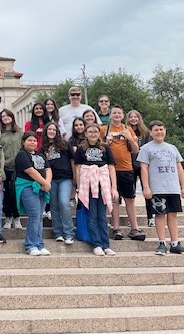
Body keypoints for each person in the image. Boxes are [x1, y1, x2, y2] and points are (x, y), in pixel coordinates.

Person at [139, 120, 184, 256]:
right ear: (151, 132)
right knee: (160, 214)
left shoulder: (172, 148)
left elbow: (179, 167)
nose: (159, 132)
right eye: (156, 130)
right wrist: (146, 187)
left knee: (173, 214)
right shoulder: (146, 148)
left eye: (161, 129)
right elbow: (144, 168)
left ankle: (175, 243)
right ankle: (162, 242)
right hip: (158, 187)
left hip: (173, 187)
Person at [74, 123, 118, 256]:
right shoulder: (81, 149)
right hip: (88, 184)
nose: (93, 134)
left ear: (99, 133)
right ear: (86, 134)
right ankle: (96, 243)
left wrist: (114, 187)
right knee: (92, 215)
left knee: (102, 216)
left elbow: (111, 167)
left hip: (102, 184)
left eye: (95, 131)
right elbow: (78, 168)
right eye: (90, 131)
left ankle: (106, 244)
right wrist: (79, 186)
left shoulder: (105, 148)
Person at [101, 106, 143, 242]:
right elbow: (98, 149)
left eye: (119, 113)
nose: (117, 115)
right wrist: (106, 143)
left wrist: (129, 138)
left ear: (122, 115)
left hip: (126, 168)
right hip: (110, 169)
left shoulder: (127, 129)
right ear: (110, 115)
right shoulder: (104, 129)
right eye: (114, 113)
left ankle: (134, 228)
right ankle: (116, 228)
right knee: (114, 200)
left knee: (130, 199)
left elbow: (136, 150)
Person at [14, 131, 51, 256]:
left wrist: (47, 183)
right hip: (28, 187)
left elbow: (48, 169)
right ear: (23, 142)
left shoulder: (40, 155)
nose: (32, 142)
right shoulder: (21, 155)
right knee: (34, 215)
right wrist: (45, 183)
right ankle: (30, 245)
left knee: (39, 216)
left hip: (41, 186)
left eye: (34, 140)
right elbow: (30, 171)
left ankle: (39, 244)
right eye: (29, 140)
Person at [42, 122, 75, 244]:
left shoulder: (65, 144)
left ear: (57, 132)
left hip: (65, 178)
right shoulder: (43, 147)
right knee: (54, 206)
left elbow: (73, 161)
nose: (51, 131)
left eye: (54, 130)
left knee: (64, 203)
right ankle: (58, 233)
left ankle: (69, 233)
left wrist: (75, 181)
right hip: (51, 180)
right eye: (49, 129)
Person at [127, 109, 154, 227]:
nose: (133, 119)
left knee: (147, 191)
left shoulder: (146, 133)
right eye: (131, 117)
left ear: (139, 118)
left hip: (143, 165)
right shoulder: (125, 131)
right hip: (129, 165)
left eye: (135, 117)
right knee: (130, 194)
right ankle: (132, 219)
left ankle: (150, 217)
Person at [0, 109, 23, 230]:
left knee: (15, 193)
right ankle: (8, 217)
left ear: (12, 117)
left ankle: (17, 217)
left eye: (8, 115)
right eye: (3, 116)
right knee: (6, 194)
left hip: (17, 167)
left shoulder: (19, 132)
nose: (5, 118)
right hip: (4, 167)